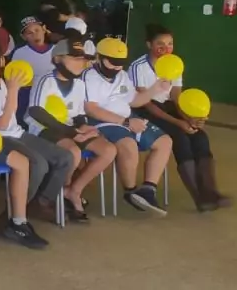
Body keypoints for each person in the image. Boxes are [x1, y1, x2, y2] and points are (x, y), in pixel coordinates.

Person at [0, 41, 72, 243]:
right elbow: (0, 125)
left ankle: (38, 202)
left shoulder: (1, 82)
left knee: (64, 157)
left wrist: (10, 88)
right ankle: (15, 219)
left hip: (17, 133)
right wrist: (14, 91)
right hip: (0, 138)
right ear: (1, 60)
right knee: (39, 164)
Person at [130, 24, 228, 211]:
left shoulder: (175, 63)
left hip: (168, 106)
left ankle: (211, 191)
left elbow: (176, 96)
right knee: (180, 138)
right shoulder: (138, 67)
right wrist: (178, 123)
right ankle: (199, 198)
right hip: (146, 109)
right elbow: (146, 104)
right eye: (161, 44)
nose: (166, 49)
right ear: (149, 44)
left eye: (170, 44)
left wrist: (188, 118)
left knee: (200, 136)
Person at [27, 38, 117, 221]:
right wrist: (73, 133)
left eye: (83, 59)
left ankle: (73, 191)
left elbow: (77, 114)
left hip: (70, 129)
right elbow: (36, 111)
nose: (81, 63)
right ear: (57, 59)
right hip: (44, 129)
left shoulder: (79, 84)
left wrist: (84, 127)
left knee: (109, 150)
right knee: (73, 152)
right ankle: (53, 198)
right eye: (75, 58)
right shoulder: (45, 80)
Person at [82, 38, 172, 214]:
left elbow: (135, 101)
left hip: (127, 117)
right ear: (99, 57)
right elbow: (91, 109)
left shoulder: (122, 75)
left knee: (164, 141)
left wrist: (155, 89)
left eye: (120, 64)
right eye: (112, 62)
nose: (116, 68)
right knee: (128, 144)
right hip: (102, 121)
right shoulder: (89, 76)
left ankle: (147, 190)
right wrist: (126, 122)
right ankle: (131, 191)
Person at [9, 16, 55, 80]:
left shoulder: (57, 50)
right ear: (23, 37)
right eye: (29, 33)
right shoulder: (19, 53)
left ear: (44, 29)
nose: (35, 34)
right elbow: (14, 78)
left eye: (37, 30)